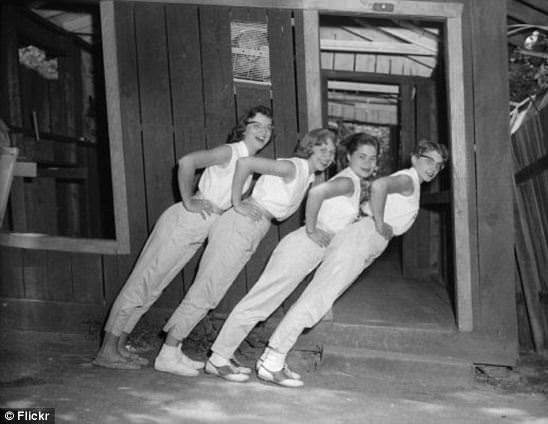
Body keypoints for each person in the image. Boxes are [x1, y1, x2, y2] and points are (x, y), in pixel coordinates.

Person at [93, 105, 273, 370]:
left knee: (154, 285)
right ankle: (107, 350)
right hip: (185, 221)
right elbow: (187, 161)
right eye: (257, 125)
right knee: (144, 282)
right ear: (243, 127)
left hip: (198, 228)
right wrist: (188, 200)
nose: (263, 132)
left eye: (268, 127)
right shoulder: (230, 151)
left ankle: (119, 345)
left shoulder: (248, 162)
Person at [256, 139, 449, 387]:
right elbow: (379, 185)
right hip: (363, 237)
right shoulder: (408, 179)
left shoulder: (412, 181)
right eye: (428, 160)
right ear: (414, 158)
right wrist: (379, 223)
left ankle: (274, 358)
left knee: (319, 298)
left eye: (439, 165)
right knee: (317, 299)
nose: (433, 168)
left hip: (364, 240)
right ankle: (272, 361)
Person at [154, 128, 337, 377]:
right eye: (322, 148)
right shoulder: (293, 167)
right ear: (309, 147)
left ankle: (174, 351)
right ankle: (167, 353)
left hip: (253, 228)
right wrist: (238, 202)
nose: (327, 155)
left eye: (331, 151)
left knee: (211, 292)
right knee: (207, 290)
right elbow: (246, 162)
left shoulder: (308, 176)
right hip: (242, 224)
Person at [207, 133, 380, 386]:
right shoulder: (348, 182)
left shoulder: (350, 182)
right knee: (261, 301)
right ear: (350, 157)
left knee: (264, 303)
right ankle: (218, 358)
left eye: (372, 158)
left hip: (311, 249)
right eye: (361, 156)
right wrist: (311, 228)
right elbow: (317, 193)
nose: (367, 163)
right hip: (303, 246)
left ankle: (226, 355)